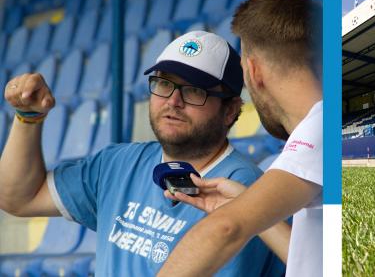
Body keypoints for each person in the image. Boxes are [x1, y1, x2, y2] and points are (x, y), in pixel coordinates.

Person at [0, 31, 285, 276]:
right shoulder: (119, 163)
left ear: (231, 110)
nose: (173, 101)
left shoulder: (247, 190)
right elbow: (20, 198)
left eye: (194, 91)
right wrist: (28, 117)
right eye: (163, 83)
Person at [158, 0, 323, 277]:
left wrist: (235, 214)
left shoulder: (319, 129)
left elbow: (225, 229)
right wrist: (243, 203)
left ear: (253, 71)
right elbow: (310, 263)